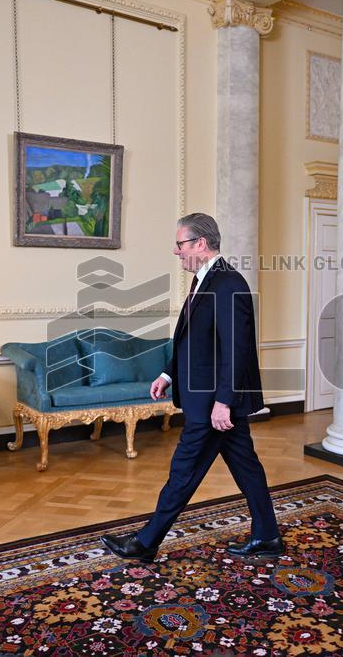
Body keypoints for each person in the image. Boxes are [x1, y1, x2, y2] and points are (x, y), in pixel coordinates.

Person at [101, 213, 282, 562]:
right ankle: (268, 536)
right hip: (208, 397)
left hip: (213, 402)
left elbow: (236, 349)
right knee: (247, 467)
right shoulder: (204, 280)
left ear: (200, 244)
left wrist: (224, 402)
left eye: (180, 244)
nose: (176, 251)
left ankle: (146, 543)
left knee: (183, 471)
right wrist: (168, 375)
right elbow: (192, 341)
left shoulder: (229, 283)